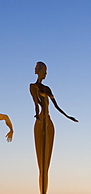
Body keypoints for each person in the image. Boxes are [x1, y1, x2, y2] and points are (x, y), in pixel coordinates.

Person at [29, 62, 78, 194]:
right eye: (43, 70)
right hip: (40, 122)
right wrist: (37, 115)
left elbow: (56, 106)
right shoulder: (33, 86)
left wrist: (68, 116)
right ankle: (42, 190)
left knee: (47, 164)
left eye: (45, 71)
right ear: (39, 71)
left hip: (49, 122)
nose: (45, 73)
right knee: (41, 162)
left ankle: (45, 190)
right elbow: (36, 102)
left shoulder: (47, 88)